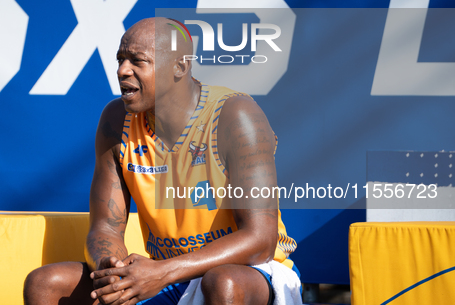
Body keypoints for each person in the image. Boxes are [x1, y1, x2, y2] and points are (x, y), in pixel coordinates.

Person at [23, 17, 298, 305]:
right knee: (45, 284)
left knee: (222, 283)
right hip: (165, 273)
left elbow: (260, 240)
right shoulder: (116, 121)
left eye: (137, 61)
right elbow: (104, 227)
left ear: (179, 66)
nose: (122, 70)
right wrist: (116, 272)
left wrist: (162, 272)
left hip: (251, 271)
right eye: (120, 59)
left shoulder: (236, 114)